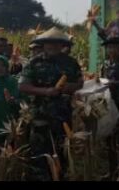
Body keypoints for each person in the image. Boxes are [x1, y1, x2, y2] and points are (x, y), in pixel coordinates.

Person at [18, 27, 83, 181]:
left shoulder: (71, 63)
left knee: (62, 154)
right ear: (44, 45)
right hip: (40, 116)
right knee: (39, 156)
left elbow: (80, 82)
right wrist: (46, 91)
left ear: (62, 45)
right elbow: (22, 86)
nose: (52, 46)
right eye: (49, 43)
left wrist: (71, 87)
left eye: (56, 43)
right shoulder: (34, 62)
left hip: (63, 117)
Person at [99, 36, 119, 179]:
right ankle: (112, 171)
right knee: (109, 139)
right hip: (108, 106)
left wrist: (114, 84)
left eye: (115, 47)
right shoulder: (105, 64)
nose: (111, 50)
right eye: (109, 47)